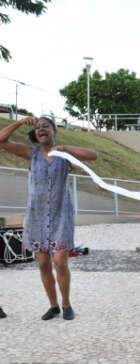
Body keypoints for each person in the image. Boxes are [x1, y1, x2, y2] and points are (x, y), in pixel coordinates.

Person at [0, 117, 97, 321]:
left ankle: (66, 304)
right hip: (36, 216)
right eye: (37, 128)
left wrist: (66, 148)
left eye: (45, 126)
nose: (40, 130)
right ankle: (53, 306)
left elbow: (92, 156)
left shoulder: (63, 156)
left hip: (60, 215)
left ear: (53, 130)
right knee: (43, 264)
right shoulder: (31, 153)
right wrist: (19, 123)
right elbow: (1, 140)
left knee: (60, 262)